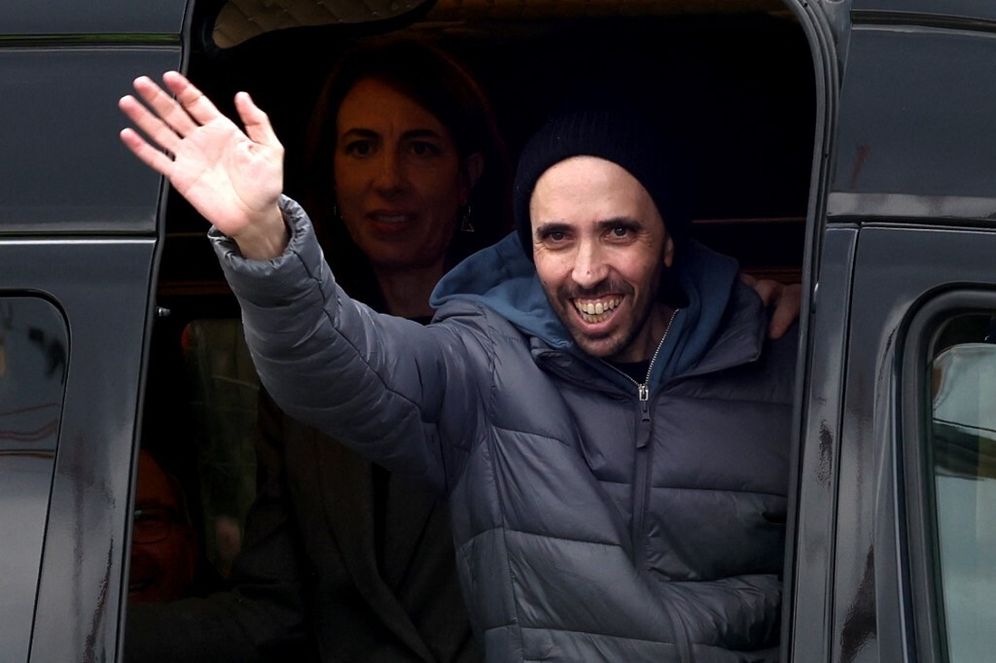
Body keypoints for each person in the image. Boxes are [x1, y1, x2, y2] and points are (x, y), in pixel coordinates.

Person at [119, 71, 799, 660]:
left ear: (669, 241)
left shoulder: (780, 358)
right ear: (528, 252)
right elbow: (339, 361)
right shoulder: (487, 361)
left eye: (618, 230)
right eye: (556, 238)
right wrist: (264, 236)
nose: (588, 270)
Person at [125, 39, 507, 662]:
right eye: (361, 148)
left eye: (421, 147)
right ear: (331, 174)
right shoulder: (302, 385)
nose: (389, 178)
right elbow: (272, 613)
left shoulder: (539, 344)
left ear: (468, 175)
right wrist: (76, 627)